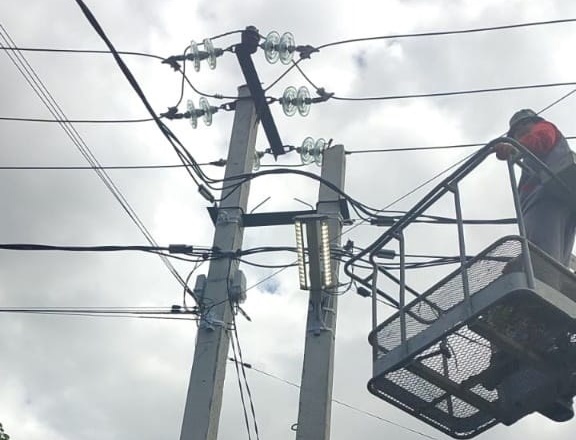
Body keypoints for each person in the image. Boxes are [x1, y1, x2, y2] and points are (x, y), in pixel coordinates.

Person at [495, 109, 576, 267]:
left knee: (543, 251)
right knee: (557, 257)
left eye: (522, 127)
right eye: (516, 134)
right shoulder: (530, 156)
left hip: (544, 198)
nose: (519, 134)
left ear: (531, 123)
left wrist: (514, 147)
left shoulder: (543, 128)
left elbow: (542, 139)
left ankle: (536, 270)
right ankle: (547, 274)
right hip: (561, 200)